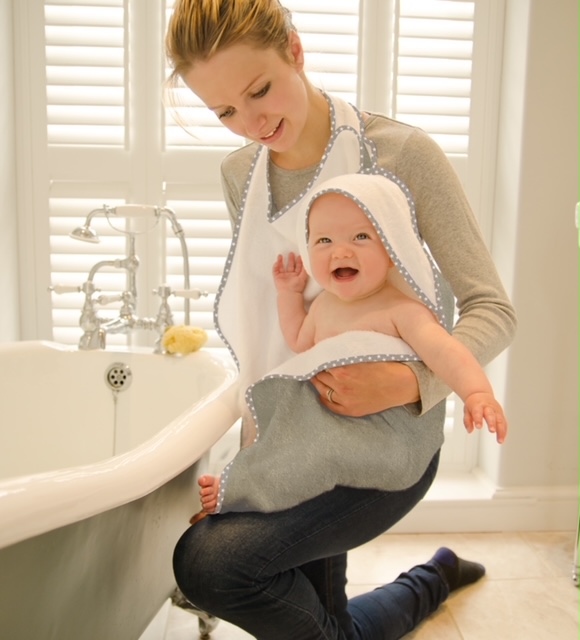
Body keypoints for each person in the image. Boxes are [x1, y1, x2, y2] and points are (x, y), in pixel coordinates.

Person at [165, 1, 517, 638]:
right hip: (295, 435)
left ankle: (427, 579)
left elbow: (492, 308)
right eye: (224, 112)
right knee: (324, 623)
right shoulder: (240, 173)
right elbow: (277, 327)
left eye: (260, 90)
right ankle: (431, 578)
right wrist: (256, 459)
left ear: (295, 50)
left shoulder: (400, 155)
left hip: (386, 435)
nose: (252, 122)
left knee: (213, 566)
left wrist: (410, 384)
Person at [196, 173, 507, 516]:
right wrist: (289, 294)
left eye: (361, 237)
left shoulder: (401, 309)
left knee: (315, 455)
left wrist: (477, 393)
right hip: (330, 426)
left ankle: (248, 487)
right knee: (288, 442)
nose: (340, 251)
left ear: (392, 251)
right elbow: (299, 339)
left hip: (381, 440)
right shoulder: (324, 306)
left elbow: (447, 353)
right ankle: (247, 474)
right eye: (324, 240)